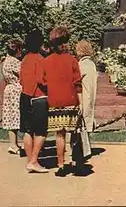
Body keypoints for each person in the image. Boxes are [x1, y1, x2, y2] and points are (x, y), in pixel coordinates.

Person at [43, 27, 83, 177]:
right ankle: (75, 162)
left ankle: (60, 165)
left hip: (54, 100)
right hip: (71, 99)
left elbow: (43, 81)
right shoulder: (72, 60)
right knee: (74, 132)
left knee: (59, 134)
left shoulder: (46, 61)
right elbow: (77, 82)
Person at [20, 29, 49, 173]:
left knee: (27, 131)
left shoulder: (24, 59)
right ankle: (34, 160)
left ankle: (30, 160)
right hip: (38, 97)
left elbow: (21, 79)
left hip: (24, 96)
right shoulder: (40, 59)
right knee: (41, 131)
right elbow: (41, 80)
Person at [2, 39, 23, 154]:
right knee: (16, 116)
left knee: (10, 117)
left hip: (9, 89)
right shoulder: (15, 62)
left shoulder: (5, 61)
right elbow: (23, 74)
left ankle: (13, 144)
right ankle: (15, 145)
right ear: (18, 49)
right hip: (16, 90)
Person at [75, 40, 98, 133]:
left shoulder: (81, 64)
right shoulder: (92, 64)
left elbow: (76, 80)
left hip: (83, 95)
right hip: (91, 94)